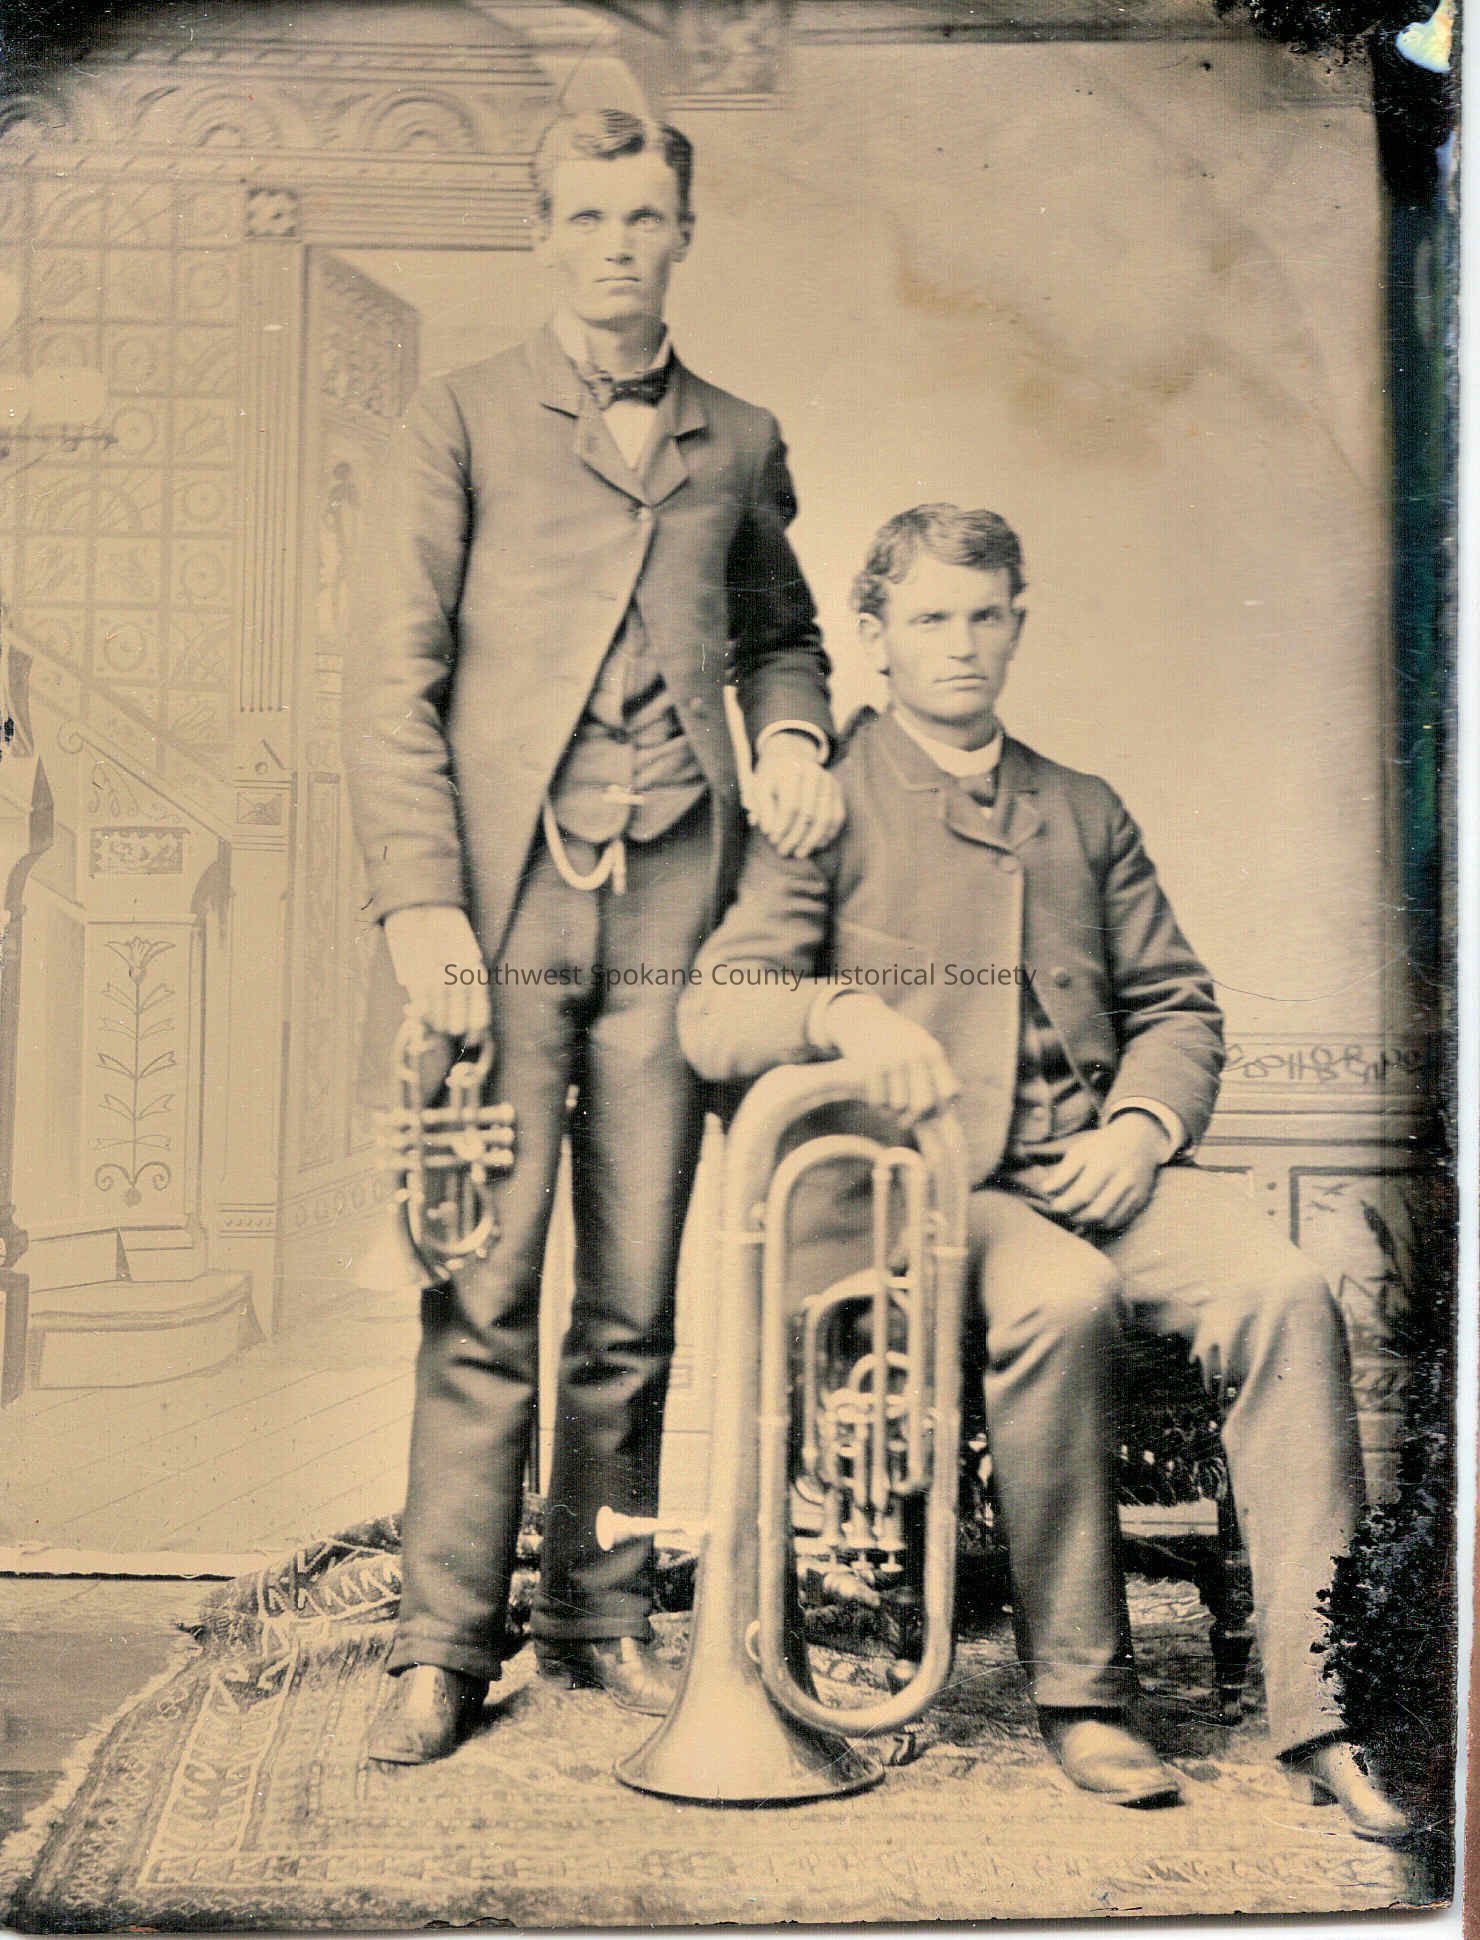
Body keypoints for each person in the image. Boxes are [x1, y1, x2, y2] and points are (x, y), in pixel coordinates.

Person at [677, 503, 1410, 1842]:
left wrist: (1139, 1130)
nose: (960, 645)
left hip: (1099, 1169)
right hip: (933, 1197)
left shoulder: (1081, 807)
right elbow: (717, 1012)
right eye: (930, 619)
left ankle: (1334, 1709)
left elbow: (1178, 1005)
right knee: (1059, 1298)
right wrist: (840, 1012)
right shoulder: (829, 806)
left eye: (984, 616)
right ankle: (1085, 1698)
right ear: (875, 636)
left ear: (1018, 624)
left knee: (1286, 1294)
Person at [344, 108, 842, 1764]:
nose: (617, 245)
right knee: (482, 1288)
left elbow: (782, 638)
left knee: (632, 1297)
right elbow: (390, 683)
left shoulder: (740, 437)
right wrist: (422, 905)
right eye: (587, 217)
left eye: (644, 217)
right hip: (502, 914)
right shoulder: (460, 417)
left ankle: (600, 1615)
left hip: (678, 914)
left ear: (684, 230)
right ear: (544, 232)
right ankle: (441, 1644)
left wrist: (791, 738)